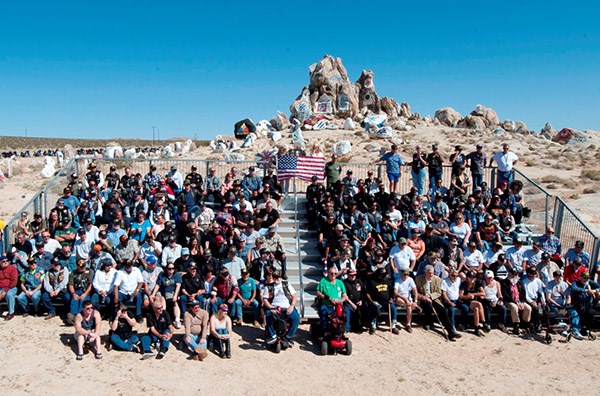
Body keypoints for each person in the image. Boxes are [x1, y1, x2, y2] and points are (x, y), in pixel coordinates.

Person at [415, 265, 461, 340]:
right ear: (425, 272)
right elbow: (415, 291)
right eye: (429, 273)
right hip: (423, 299)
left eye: (432, 273)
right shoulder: (418, 279)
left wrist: (430, 296)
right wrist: (422, 297)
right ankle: (427, 322)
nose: (431, 275)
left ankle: (451, 331)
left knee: (442, 310)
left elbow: (438, 292)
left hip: (434, 298)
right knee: (427, 306)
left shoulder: (437, 280)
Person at [263, 269, 300, 345]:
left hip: (287, 307)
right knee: (268, 315)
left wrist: (292, 306)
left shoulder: (286, 284)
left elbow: (294, 296)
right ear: (273, 277)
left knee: (296, 318)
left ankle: (288, 337)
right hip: (274, 307)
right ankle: (272, 335)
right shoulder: (268, 287)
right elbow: (265, 300)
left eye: (279, 277)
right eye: (276, 277)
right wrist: (271, 307)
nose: (278, 279)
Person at [365, 268, 399, 335]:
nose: (383, 277)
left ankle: (393, 325)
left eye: (384, 275)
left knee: (393, 308)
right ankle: (373, 325)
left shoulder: (387, 281)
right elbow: (367, 293)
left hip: (386, 302)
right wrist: (372, 301)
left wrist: (391, 298)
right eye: (382, 275)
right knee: (374, 308)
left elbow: (391, 291)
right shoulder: (372, 282)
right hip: (376, 302)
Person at [500, 268, 532, 335]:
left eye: (515, 274)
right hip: (509, 301)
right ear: (509, 273)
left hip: (519, 300)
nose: (514, 275)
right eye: (512, 274)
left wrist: (522, 302)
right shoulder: (504, 282)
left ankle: (525, 323)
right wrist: (515, 302)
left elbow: (523, 293)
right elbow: (505, 295)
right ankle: (516, 325)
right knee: (514, 307)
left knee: (528, 308)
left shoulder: (519, 282)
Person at [570, 271, 600, 338]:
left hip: (587, 306)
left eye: (587, 278)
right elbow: (574, 288)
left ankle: (588, 329)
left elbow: (599, 286)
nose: (586, 279)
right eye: (584, 278)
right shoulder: (576, 282)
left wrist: (594, 291)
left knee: (591, 315)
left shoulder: (590, 282)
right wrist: (586, 290)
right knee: (575, 315)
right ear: (580, 277)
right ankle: (575, 331)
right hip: (577, 305)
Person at [458, 270, 489, 336]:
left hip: (473, 301)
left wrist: (473, 294)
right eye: (470, 277)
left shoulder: (477, 282)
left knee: (476, 309)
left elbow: (483, 293)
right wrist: (467, 296)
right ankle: (484, 322)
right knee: (479, 304)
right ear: (467, 277)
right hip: (466, 301)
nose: (472, 279)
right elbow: (461, 296)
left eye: (473, 277)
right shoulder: (463, 284)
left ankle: (476, 328)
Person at [393, 268, 419, 332]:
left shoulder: (410, 280)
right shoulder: (397, 280)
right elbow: (395, 292)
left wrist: (415, 300)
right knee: (403, 302)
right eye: (404, 275)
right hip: (400, 298)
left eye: (406, 275)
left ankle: (408, 324)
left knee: (409, 306)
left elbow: (415, 290)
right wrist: (405, 299)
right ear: (401, 274)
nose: (405, 276)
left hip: (408, 299)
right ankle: (412, 305)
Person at [0, 255, 18, 321]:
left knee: (9, 295)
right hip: (0, 288)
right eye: (3, 261)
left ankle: (11, 313)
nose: (5, 262)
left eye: (7, 261)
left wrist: (5, 291)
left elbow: (14, 282)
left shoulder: (13, 268)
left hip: (11, 287)